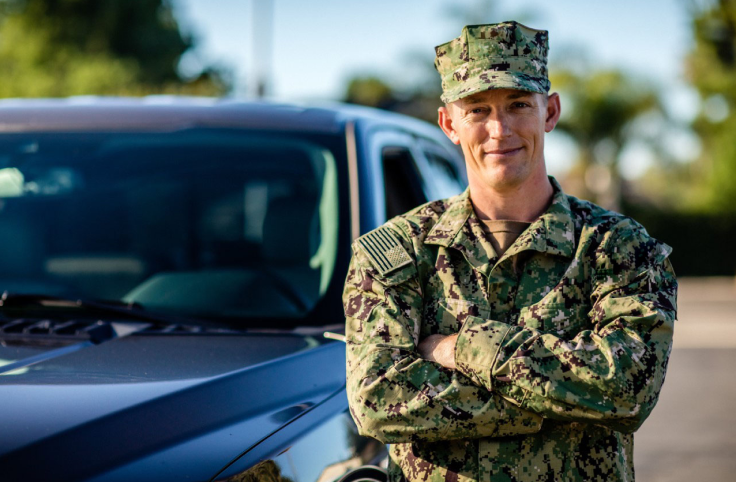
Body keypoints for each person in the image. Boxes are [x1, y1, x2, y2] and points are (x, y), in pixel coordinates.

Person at [343, 21, 677, 482]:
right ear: (449, 124)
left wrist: (461, 349)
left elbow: (627, 389)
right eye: (477, 109)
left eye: (519, 105)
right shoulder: (398, 252)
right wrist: (560, 402)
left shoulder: (618, 248)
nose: (499, 130)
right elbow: (378, 402)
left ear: (551, 112)